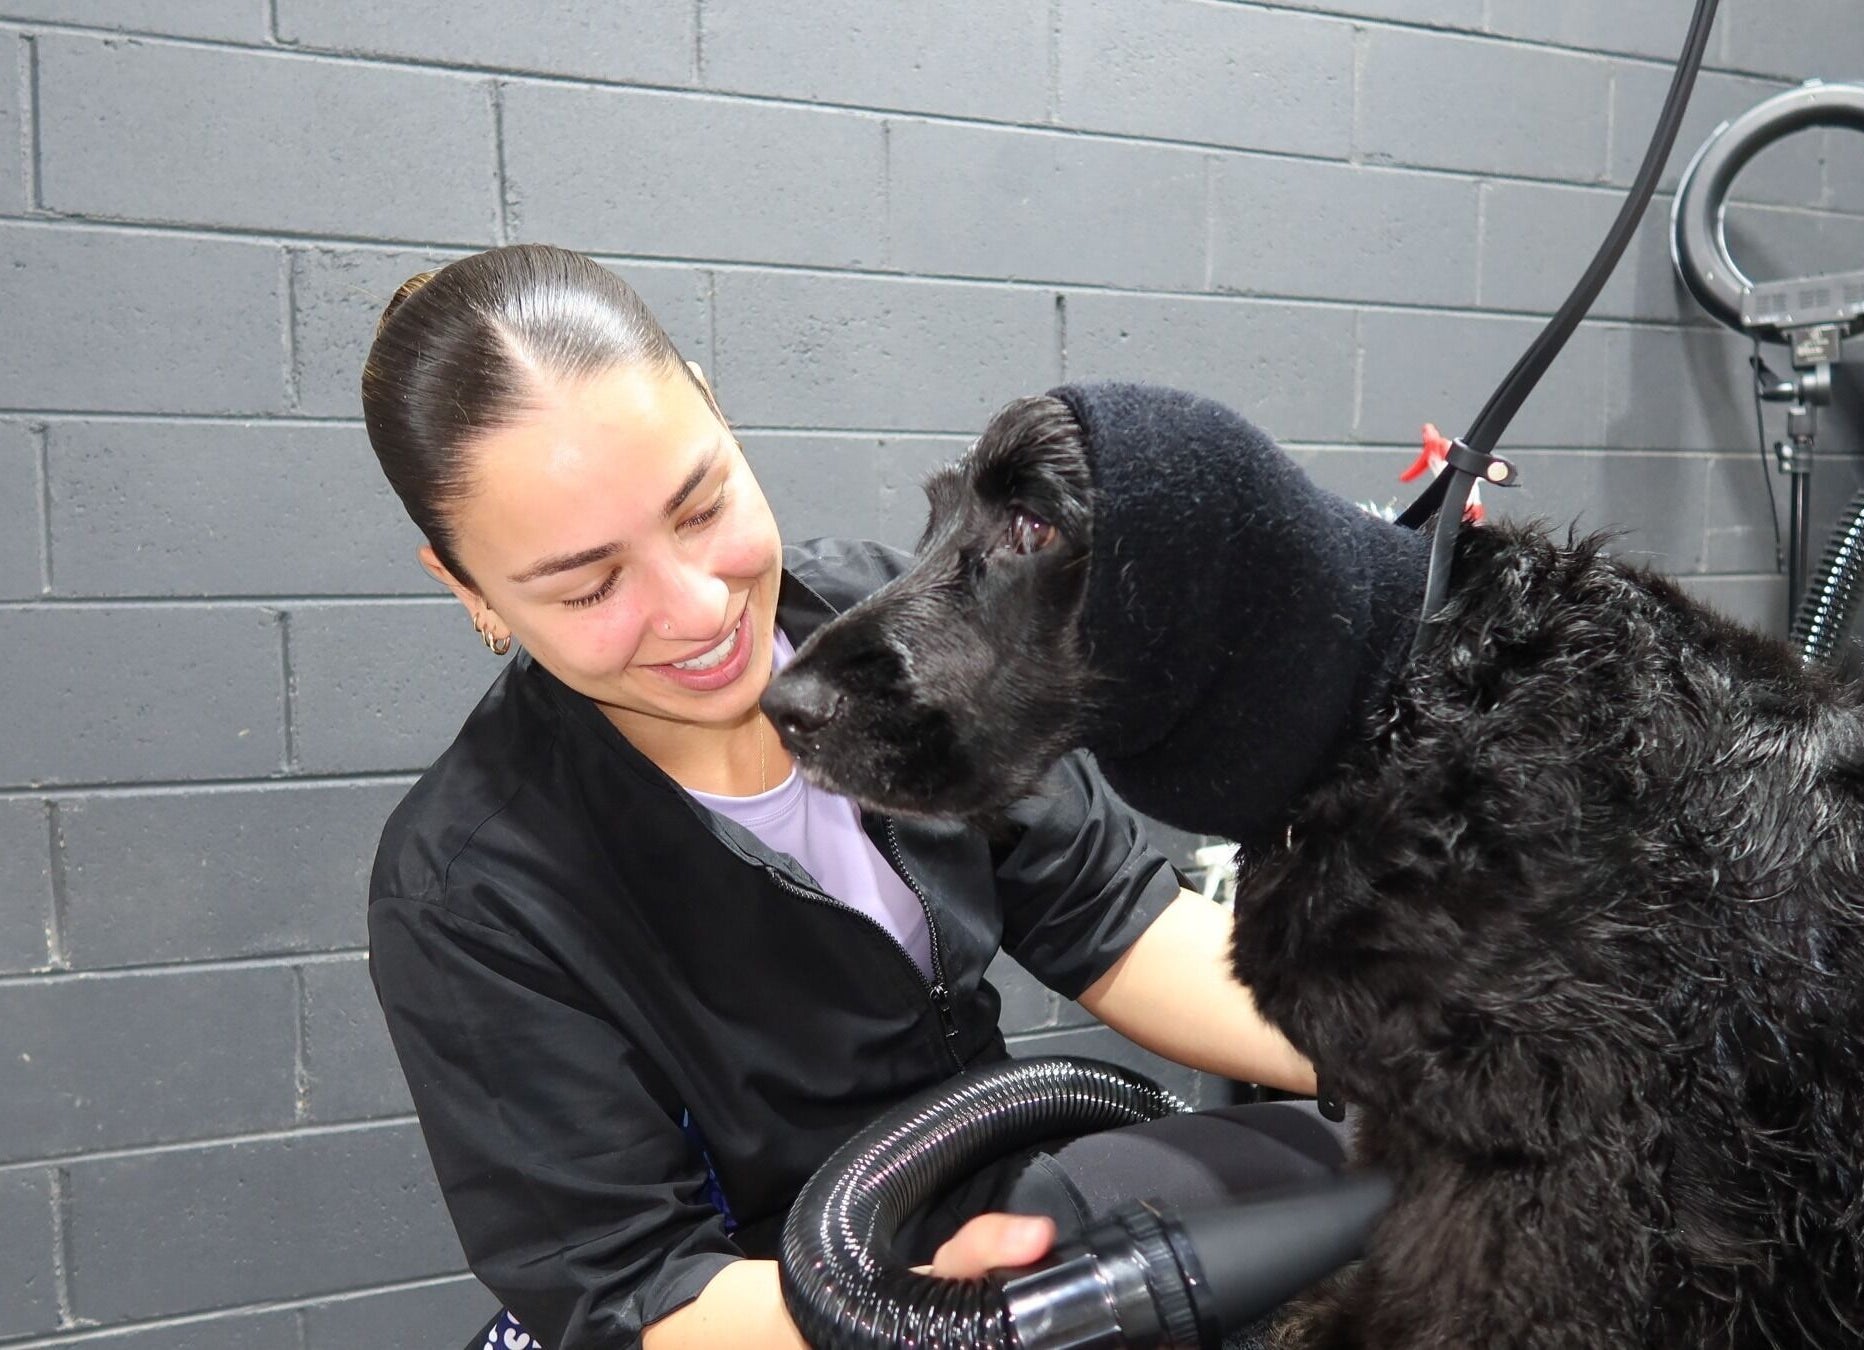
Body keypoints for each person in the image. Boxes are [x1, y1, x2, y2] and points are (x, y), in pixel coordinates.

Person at [360, 243, 1340, 1350]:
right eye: (590, 583)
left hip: (991, 1186)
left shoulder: (881, 630)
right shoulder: (469, 890)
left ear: (721, 418)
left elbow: (1120, 925)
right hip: (773, 1304)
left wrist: (1428, 1054)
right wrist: (919, 1312)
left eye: (700, 509)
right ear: (469, 587)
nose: (695, 609)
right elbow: (634, 1291)